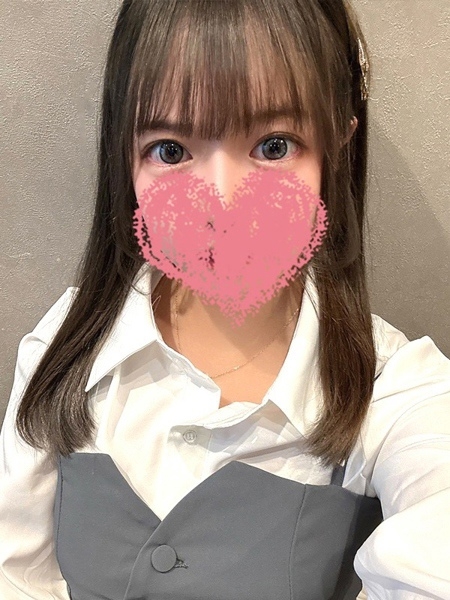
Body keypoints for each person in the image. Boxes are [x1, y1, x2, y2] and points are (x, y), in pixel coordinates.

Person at [1, 0, 449, 598]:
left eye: (274, 145)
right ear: (125, 156)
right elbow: (16, 574)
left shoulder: (392, 385)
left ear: (338, 144)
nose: (222, 202)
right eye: (170, 150)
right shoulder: (65, 341)